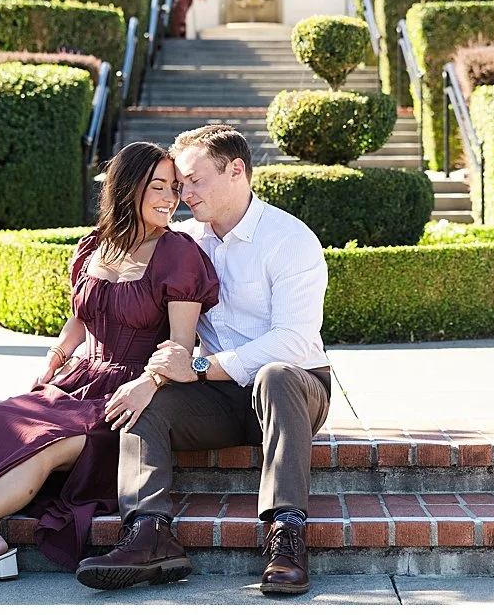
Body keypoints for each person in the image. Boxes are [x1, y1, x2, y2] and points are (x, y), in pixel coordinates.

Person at [0, 142, 219, 589]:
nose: (170, 198)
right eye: (158, 186)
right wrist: (54, 361)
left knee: (44, 443)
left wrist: (147, 386)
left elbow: (178, 347)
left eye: (174, 188)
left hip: (130, 396)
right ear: (127, 188)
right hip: (78, 381)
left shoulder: (179, 254)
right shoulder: (94, 246)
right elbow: (79, 319)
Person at [76, 125, 330, 596]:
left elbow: (294, 341)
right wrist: (150, 379)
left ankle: (287, 537)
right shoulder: (185, 241)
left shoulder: (289, 239)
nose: (182, 194)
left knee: (275, 375)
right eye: (177, 185)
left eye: (193, 181)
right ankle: (149, 534)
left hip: (295, 390)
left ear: (237, 171)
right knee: (143, 401)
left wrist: (195, 368)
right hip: (219, 396)